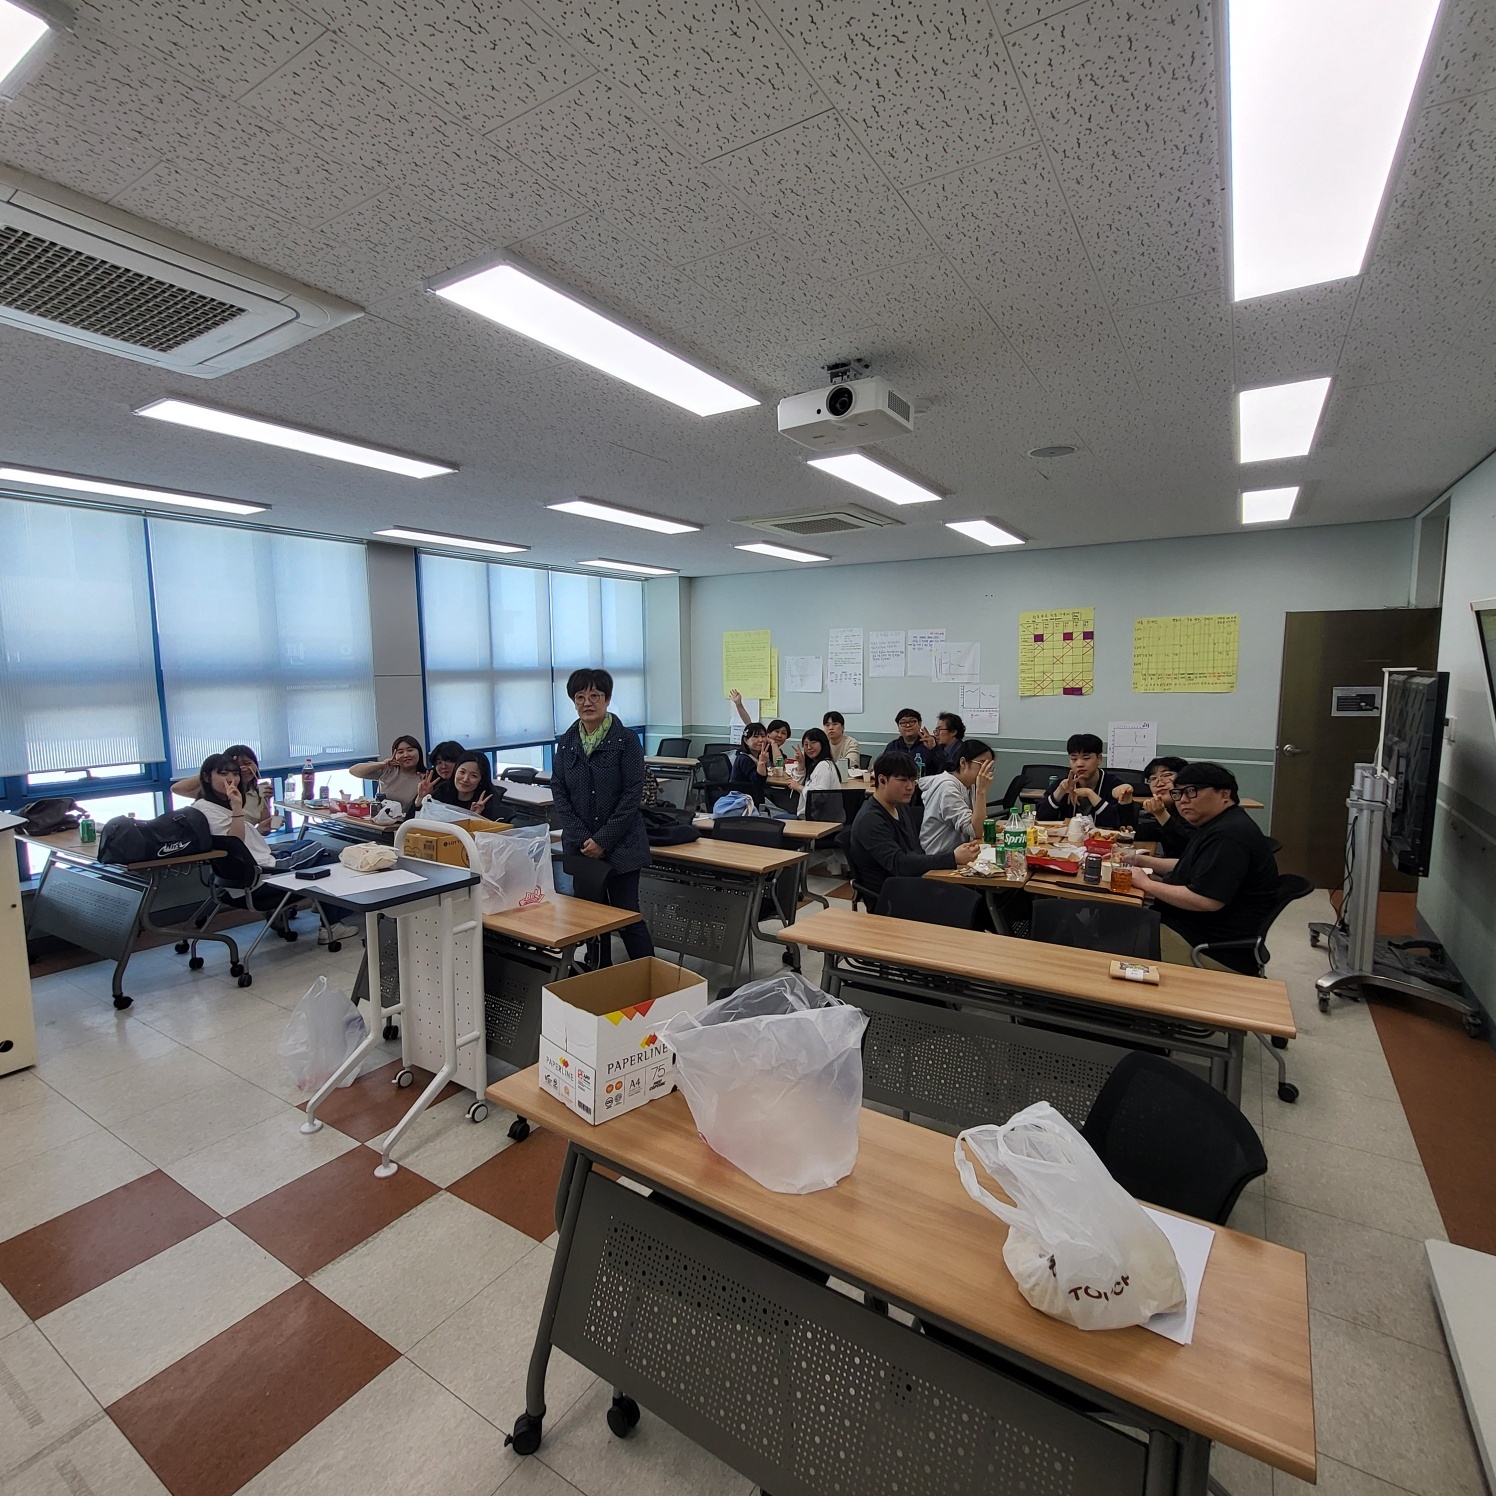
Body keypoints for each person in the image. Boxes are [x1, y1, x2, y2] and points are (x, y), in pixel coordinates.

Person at [1121, 763, 1280, 970]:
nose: (1183, 800)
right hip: (1190, 925)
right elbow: (1191, 865)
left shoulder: (1229, 835)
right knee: (1115, 918)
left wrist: (1147, 884)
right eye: (1178, 793)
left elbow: (1206, 901)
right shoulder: (1218, 824)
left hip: (1205, 944)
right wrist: (1140, 860)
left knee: (1104, 938)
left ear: (1224, 794)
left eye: (1191, 792)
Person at [552, 667, 654, 960]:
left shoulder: (626, 740)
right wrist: (584, 839)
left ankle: (649, 975)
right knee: (591, 919)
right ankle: (600, 972)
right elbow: (559, 790)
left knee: (626, 916)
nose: (587, 702)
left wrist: (603, 840)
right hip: (581, 847)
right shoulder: (567, 741)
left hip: (622, 845)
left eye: (595, 695)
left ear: (607, 699)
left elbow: (632, 795)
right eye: (580, 697)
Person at [849, 750, 981, 903]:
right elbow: (900, 864)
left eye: (913, 780)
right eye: (903, 780)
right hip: (891, 898)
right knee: (971, 902)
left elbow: (915, 852)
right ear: (882, 780)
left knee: (977, 896)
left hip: (913, 884)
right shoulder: (870, 820)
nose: (910, 787)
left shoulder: (900, 807)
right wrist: (953, 858)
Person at [919, 739, 995, 855]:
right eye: (982, 764)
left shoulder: (971, 784)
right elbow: (975, 831)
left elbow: (978, 828)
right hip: (940, 857)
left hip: (961, 852)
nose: (985, 771)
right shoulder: (947, 787)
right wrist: (981, 792)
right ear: (963, 763)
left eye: (989, 767)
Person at [173, 744, 271, 832]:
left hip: (250, 843)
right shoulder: (218, 793)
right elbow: (176, 788)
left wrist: (268, 800)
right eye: (225, 772)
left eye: (247, 763)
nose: (244, 768)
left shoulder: (258, 791)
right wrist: (212, 770)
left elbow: (264, 828)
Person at [1039, 733, 1127, 827]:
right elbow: (1041, 818)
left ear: (1099, 759)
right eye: (1074, 759)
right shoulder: (1063, 785)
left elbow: (1120, 824)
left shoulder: (1114, 786)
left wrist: (1089, 793)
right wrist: (1059, 792)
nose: (1079, 764)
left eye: (1086, 758)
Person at [1112, 755, 1192, 855]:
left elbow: (1188, 849)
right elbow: (1131, 834)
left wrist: (1162, 815)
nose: (1159, 783)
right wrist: (1126, 801)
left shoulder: (1192, 810)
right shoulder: (1170, 812)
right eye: (1153, 779)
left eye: (1166, 776)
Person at [349, 735, 425, 814]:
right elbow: (353, 770)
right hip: (380, 819)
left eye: (410, 750)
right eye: (400, 752)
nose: (406, 755)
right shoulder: (388, 770)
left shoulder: (426, 778)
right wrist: (382, 764)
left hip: (407, 821)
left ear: (419, 752)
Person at [793, 727, 843, 815]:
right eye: (806, 744)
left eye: (813, 743)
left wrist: (800, 787)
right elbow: (797, 784)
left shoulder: (824, 766)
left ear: (823, 744)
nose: (809, 747)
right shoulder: (816, 764)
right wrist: (801, 763)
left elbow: (818, 797)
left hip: (817, 818)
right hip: (813, 815)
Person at [429, 752, 497, 816]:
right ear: (455, 771)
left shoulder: (487, 803)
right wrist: (423, 796)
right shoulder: (441, 791)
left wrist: (475, 816)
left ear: (481, 780)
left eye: (473, 776)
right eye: (462, 772)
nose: (465, 779)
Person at [883, 708, 938, 775]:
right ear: (898, 726)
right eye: (903, 723)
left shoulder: (931, 742)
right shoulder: (893, 746)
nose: (908, 725)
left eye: (912, 721)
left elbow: (943, 767)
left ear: (919, 724)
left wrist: (933, 748)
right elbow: (884, 767)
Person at [729, 722, 772, 803]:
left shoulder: (757, 756)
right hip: (744, 802)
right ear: (746, 740)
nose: (761, 740)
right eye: (755, 736)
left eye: (763, 736)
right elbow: (758, 782)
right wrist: (762, 763)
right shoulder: (744, 759)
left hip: (753, 798)